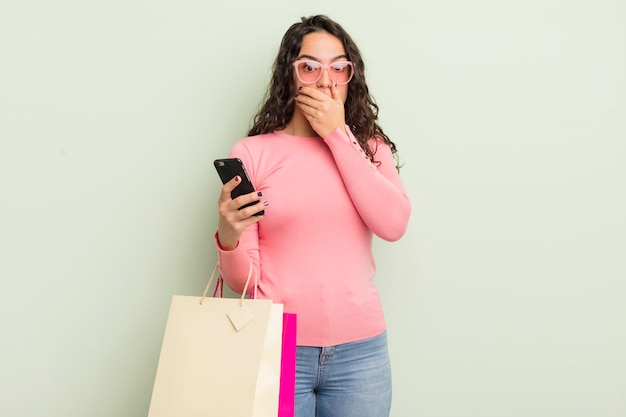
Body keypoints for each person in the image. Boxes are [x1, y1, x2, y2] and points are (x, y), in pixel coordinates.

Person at [215, 15, 411, 417]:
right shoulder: (253, 153)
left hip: (362, 355)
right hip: (276, 346)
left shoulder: (370, 150)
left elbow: (393, 225)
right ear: (290, 76)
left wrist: (338, 135)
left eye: (339, 67)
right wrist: (228, 237)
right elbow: (242, 282)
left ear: (350, 77)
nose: (326, 80)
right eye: (310, 66)